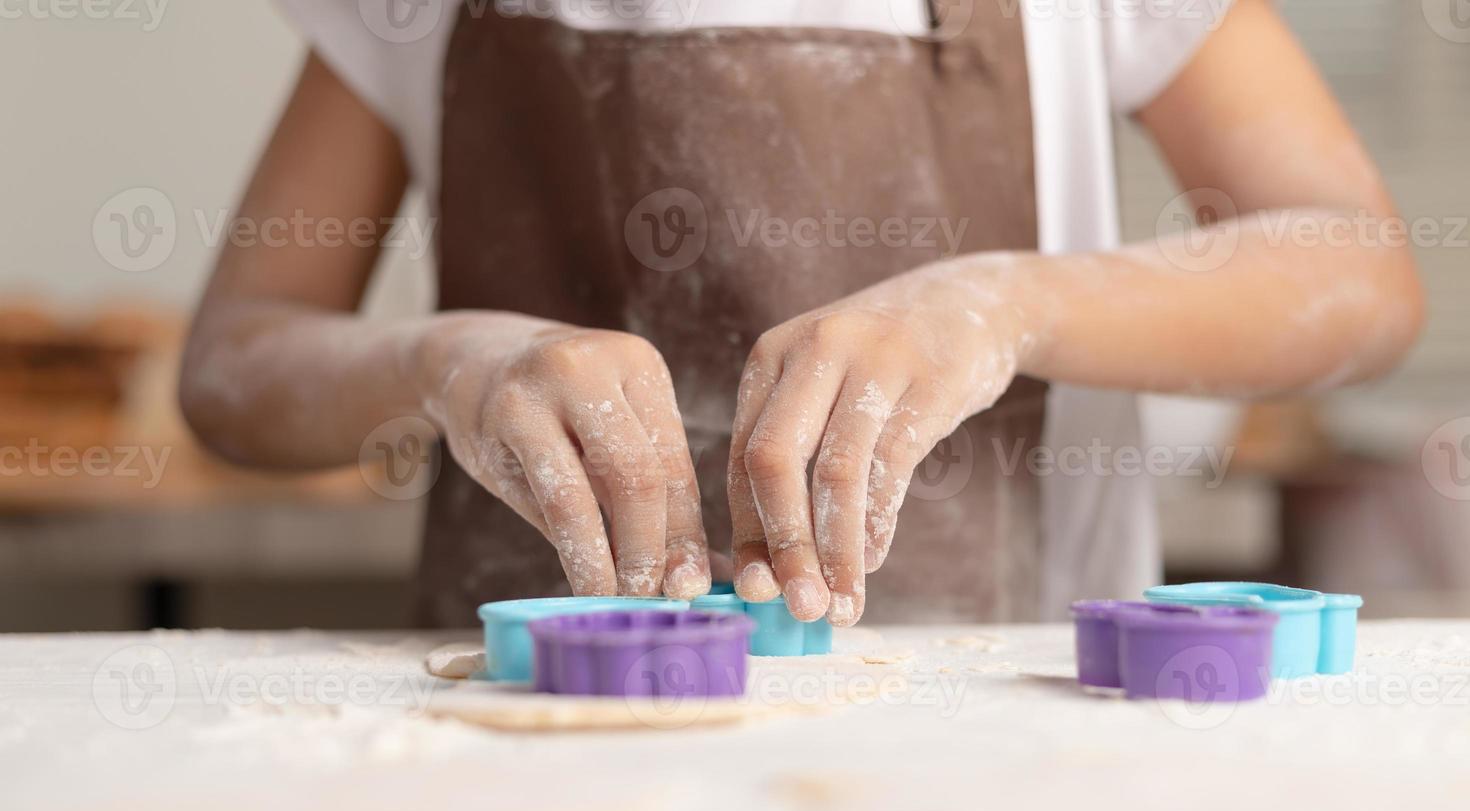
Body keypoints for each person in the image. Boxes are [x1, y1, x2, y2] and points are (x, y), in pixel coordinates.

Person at [181, 0, 1423, 628]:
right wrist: (445, 358)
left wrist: (1004, 300)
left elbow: (1360, 274)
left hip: (996, 733)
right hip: (531, 750)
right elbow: (234, 370)